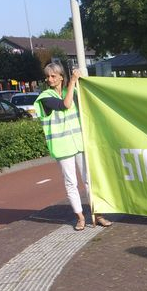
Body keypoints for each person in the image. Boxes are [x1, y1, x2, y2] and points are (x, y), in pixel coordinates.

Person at [34, 61, 111, 231]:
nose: (50, 79)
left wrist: (80, 81)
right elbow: (65, 105)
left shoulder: (75, 92)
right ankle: (80, 217)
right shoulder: (45, 97)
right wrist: (72, 82)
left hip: (80, 143)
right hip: (62, 147)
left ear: (61, 76)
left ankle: (97, 214)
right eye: (47, 76)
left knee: (89, 180)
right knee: (71, 182)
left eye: (53, 76)